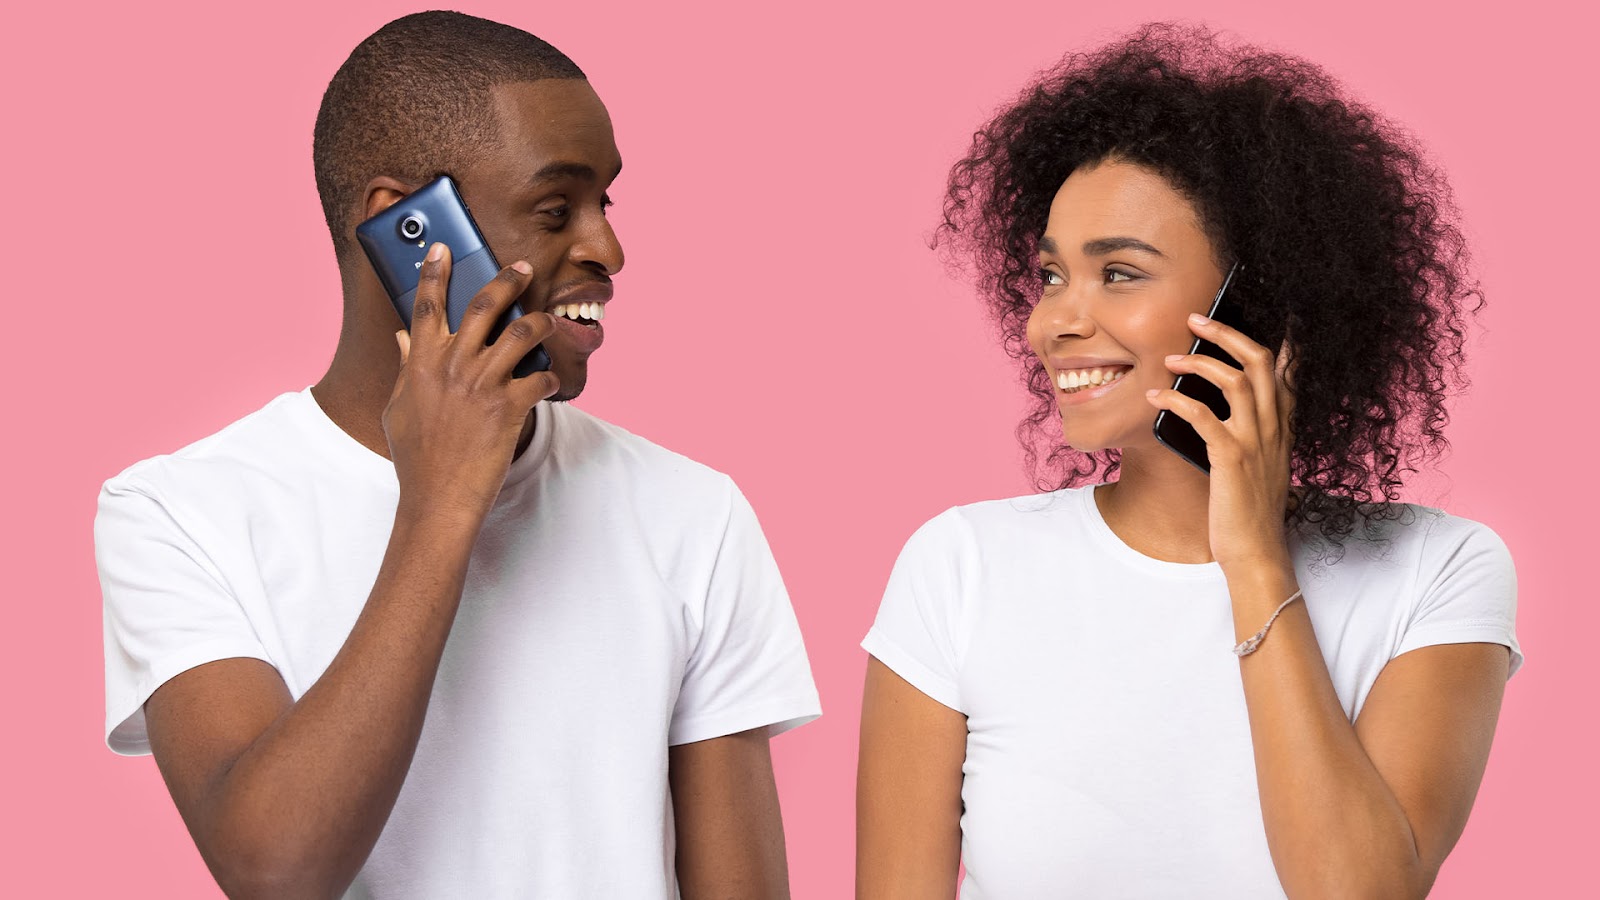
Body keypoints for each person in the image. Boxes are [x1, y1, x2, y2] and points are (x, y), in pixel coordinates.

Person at [95, 11, 819, 898]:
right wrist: (442, 502)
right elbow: (275, 869)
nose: (608, 249)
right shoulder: (180, 512)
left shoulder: (692, 513)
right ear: (407, 230)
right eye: (556, 210)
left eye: (606, 203)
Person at [856, 24, 1519, 900]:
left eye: (1120, 274)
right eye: (1052, 276)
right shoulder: (961, 568)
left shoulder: (1436, 573)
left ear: (1260, 306)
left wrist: (1250, 553)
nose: (1050, 324)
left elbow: (1357, 891)